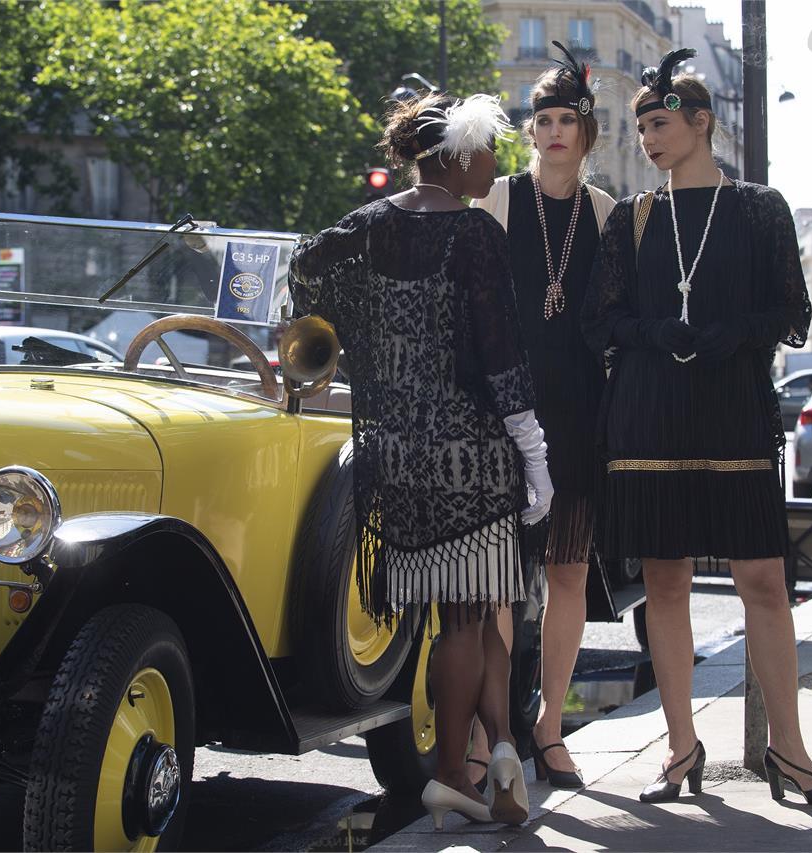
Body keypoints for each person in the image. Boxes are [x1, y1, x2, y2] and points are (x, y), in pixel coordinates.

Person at [582, 49, 812, 807]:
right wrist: (655, 331)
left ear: (702, 123)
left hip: (734, 405)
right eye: (640, 129)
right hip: (649, 411)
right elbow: (601, 317)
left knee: (762, 579)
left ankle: (789, 752)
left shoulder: (759, 207)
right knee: (664, 581)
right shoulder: (634, 218)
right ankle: (679, 748)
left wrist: (732, 335)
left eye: (660, 123)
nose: (648, 140)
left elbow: (791, 311)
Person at [289, 91, 550, 829]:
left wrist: (365, 350)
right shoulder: (474, 234)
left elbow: (305, 270)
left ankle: (497, 752)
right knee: (476, 615)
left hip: (398, 459)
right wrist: (535, 453)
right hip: (471, 457)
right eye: (489, 150)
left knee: (455, 616)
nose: (495, 165)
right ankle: (453, 770)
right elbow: (502, 358)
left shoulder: (369, 226)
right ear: (459, 153)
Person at [466, 42, 616, 791]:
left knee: (567, 573)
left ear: (588, 132)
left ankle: (550, 727)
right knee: (497, 581)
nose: (553, 130)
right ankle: (492, 731)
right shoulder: (496, 201)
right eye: (542, 118)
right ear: (530, 132)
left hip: (578, 415)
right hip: (502, 417)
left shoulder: (608, 215)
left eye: (567, 119)